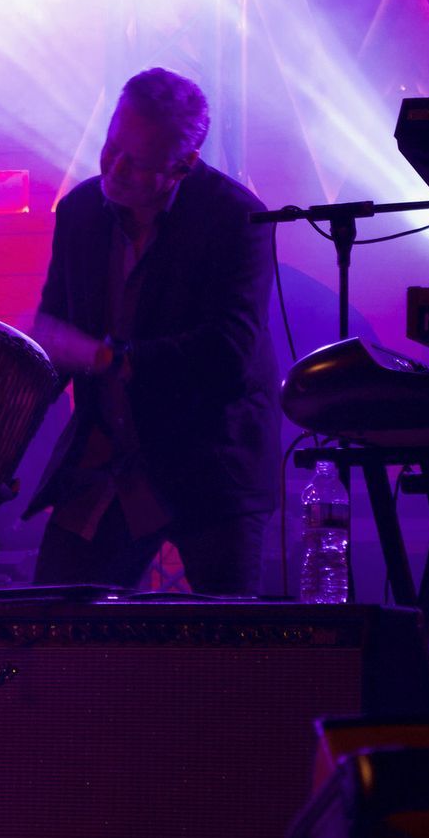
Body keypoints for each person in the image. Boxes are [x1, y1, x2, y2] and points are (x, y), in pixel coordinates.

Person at [24, 67, 279, 595]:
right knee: (54, 627)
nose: (113, 168)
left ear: (183, 165)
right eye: (112, 146)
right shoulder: (78, 212)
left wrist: (111, 358)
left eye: (136, 162)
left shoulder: (236, 217)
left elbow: (228, 353)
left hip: (209, 464)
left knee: (227, 653)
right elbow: (55, 333)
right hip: (108, 459)